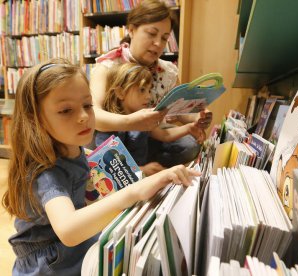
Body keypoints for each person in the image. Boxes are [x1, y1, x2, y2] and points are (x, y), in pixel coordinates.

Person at [2, 58, 200, 275]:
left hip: (73, 249)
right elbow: (68, 230)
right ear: (35, 119)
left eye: (87, 105)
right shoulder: (46, 172)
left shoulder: (73, 148)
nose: (84, 116)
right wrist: (135, 191)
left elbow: (91, 165)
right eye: (66, 110)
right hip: (52, 264)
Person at [90, 0, 212, 167]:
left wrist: (199, 117)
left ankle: (137, 168)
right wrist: (132, 122)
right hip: (113, 135)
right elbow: (93, 115)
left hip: (151, 136)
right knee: (93, 143)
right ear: (131, 30)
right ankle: (133, 169)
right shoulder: (107, 67)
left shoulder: (167, 71)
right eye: (151, 34)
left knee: (190, 145)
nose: (158, 44)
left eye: (164, 38)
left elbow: (181, 110)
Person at [95, 63, 206, 176]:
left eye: (149, 90)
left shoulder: (143, 118)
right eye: (142, 90)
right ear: (120, 92)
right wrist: (141, 169)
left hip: (139, 177)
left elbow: (163, 134)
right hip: (122, 179)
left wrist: (188, 128)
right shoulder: (110, 125)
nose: (148, 96)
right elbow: (107, 163)